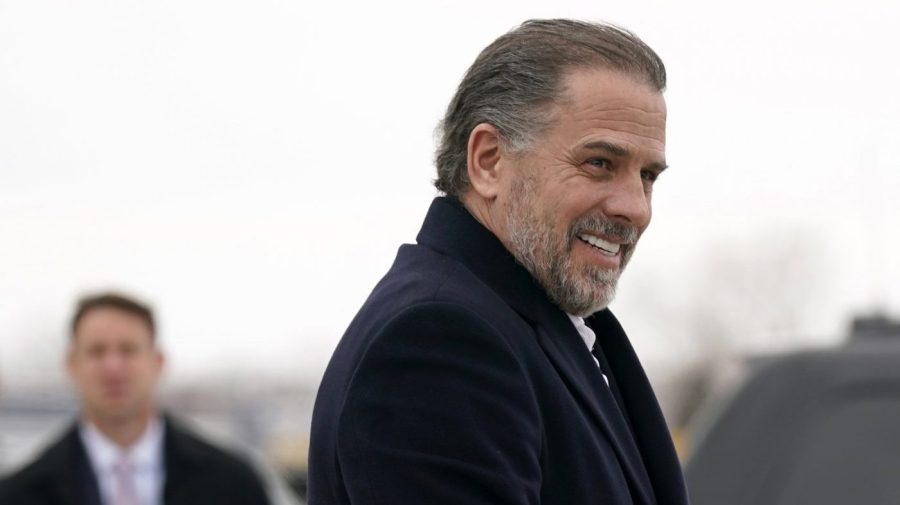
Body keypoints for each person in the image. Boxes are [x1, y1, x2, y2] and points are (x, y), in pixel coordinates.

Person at [308, 19, 689, 505]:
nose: (634, 206)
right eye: (599, 163)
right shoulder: (439, 342)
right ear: (488, 161)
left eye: (648, 175)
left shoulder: (531, 325)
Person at [0, 292, 270, 505]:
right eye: (96, 351)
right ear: (71, 365)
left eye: (128, 350)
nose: (113, 367)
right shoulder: (20, 494)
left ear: (158, 362)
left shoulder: (233, 483)